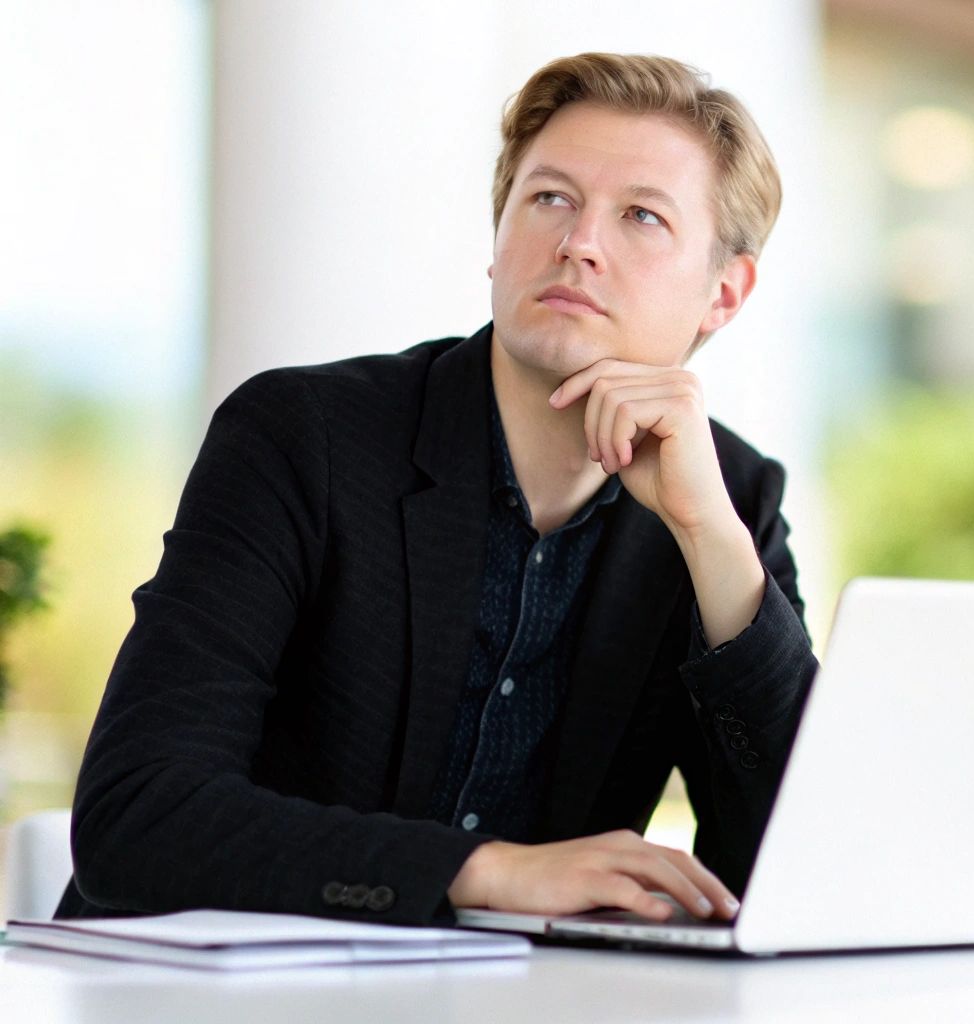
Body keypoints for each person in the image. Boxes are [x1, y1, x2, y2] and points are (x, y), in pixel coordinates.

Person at [55, 53, 816, 928]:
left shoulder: (727, 500)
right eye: (550, 199)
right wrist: (487, 871)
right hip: (199, 991)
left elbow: (796, 869)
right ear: (498, 242)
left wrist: (711, 540)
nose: (579, 243)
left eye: (641, 216)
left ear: (724, 292)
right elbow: (139, 815)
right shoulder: (305, 436)